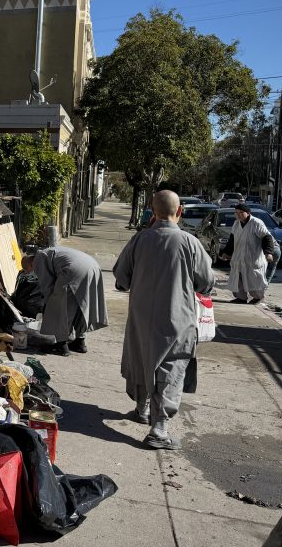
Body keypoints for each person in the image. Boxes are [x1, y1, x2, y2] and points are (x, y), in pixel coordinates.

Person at [114, 190, 214, 450]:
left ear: (152, 211)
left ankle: (141, 408)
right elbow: (207, 282)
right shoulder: (190, 242)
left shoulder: (139, 240)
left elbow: (121, 278)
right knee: (170, 367)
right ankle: (159, 430)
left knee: (140, 359)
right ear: (179, 212)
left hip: (141, 316)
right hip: (176, 319)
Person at [21, 247, 108, 356]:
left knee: (59, 306)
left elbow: (47, 286)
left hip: (74, 270)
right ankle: (79, 342)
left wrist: (47, 305)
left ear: (30, 264)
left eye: (28, 270)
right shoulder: (50, 252)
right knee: (81, 305)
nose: (31, 273)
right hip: (93, 267)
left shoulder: (38, 259)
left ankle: (61, 346)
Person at [219, 203, 275, 304]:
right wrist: (226, 253)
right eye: (236, 213)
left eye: (241, 213)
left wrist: (268, 253)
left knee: (254, 280)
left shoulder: (256, 223)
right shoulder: (236, 223)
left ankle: (258, 297)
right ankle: (241, 298)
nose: (238, 215)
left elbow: (266, 237)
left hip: (252, 258)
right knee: (237, 279)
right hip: (239, 257)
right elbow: (232, 240)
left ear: (248, 213)